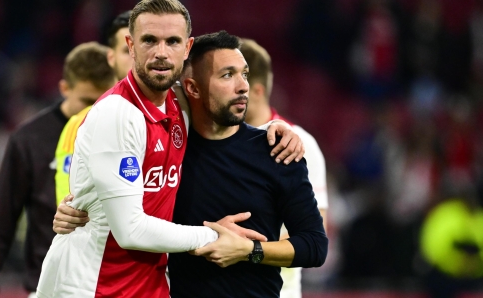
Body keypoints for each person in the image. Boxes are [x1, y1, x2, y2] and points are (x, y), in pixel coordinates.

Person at [37, 1, 304, 297]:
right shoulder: (117, 114)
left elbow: (225, 112)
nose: (161, 52)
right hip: (91, 284)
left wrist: (276, 129)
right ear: (131, 45)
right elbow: (130, 230)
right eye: (149, 40)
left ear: (187, 47)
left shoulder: (179, 103)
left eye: (172, 41)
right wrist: (214, 234)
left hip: (149, 285)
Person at [166, 30, 327, 298]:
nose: (243, 86)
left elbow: (315, 245)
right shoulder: (169, 152)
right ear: (193, 88)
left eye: (245, 74)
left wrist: (250, 251)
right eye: (227, 75)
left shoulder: (277, 150)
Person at [0, 42, 117, 298]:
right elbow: (2, 220)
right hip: (48, 285)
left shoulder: (123, 132)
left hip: (107, 282)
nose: (91, 112)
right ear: (64, 89)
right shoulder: (29, 140)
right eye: (85, 101)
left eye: (100, 100)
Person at [240, 37, 329, 298]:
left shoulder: (298, 145)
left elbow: (315, 229)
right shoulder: (220, 141)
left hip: (279, 291)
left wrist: (247, 248)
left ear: (256, 90)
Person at [55, 10, 133, 205]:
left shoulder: (179, 113)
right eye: (127, 51)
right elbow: (70, 203)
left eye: (144, 48)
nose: (136, 59)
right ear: (111, 57)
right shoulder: (79, 124)